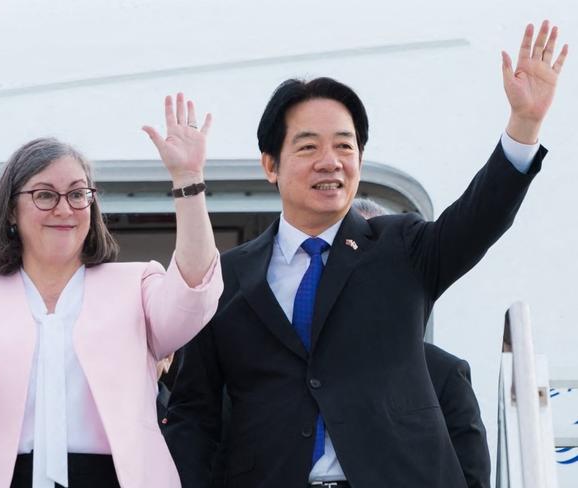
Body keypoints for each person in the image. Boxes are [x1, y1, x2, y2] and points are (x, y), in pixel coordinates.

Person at [163, 22, 568, 487]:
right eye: (309, 146)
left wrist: (524, 126)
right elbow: (194, 414)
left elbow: (480, 217)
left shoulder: (403, 249)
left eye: (344, 146)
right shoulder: (227, 277)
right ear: (270, 165)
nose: (330, 161)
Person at [0, 93, 223, 487]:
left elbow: (194, 292)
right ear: (11, 210)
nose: (64, 209)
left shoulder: (136, 283)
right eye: (45, 194)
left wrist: (188, 181)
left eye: (78, 193)